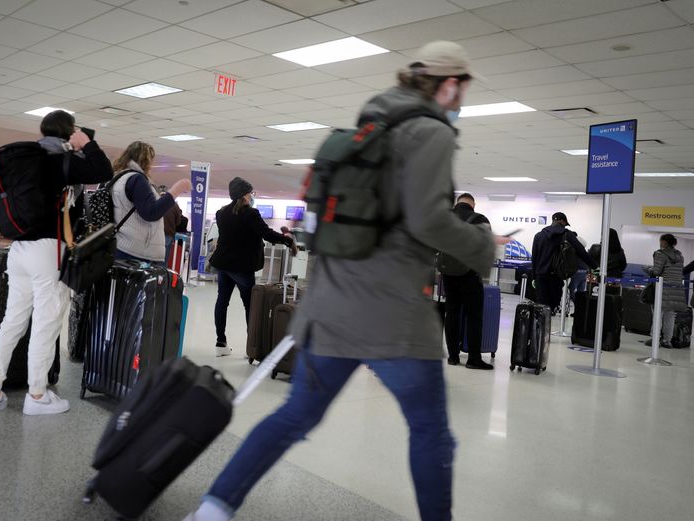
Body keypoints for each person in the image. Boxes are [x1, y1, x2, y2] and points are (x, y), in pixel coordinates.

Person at [184, 41, 509, 521]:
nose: (462, 100)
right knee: (431, 432)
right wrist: (484, 245)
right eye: (461, 88)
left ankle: (213, 509)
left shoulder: (369, 125)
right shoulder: (430, 133)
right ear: (448, 85)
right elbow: (426, 221)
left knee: (295, 416)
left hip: (331, 307)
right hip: (394, 317)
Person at [0, 110, 114, 418]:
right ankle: (37, 395)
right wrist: (86, 143)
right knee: (45, 323)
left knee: (11, 322)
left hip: (18, 250)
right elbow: (103, 170)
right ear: (69, 133)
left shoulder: (29, 159)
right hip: (46, 251)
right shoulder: (57, 161)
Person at [208, 177, 297, 357]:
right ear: (245, 195)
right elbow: (267, 234)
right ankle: (253, 346)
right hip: (241, 266)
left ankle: (220, 343)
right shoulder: (250, 214)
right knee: (251, 305)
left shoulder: (221, 213)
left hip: (223, 264)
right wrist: (288, 240)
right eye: (251, 193)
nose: (252, 196)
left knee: (222, 302)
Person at [110, 142, 191, 264]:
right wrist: (176, 190)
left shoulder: (118, 178)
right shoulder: (137, 179)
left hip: (120, 245)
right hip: (135, 251)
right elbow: (151, 213)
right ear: (146, 160)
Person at [442, 193, 493, 370]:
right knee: (473, 317)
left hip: (448, 274)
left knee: (452, 313)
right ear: (473, 204)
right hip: (471, 275)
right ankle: (473, 358)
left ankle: (453, 356)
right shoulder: (480, 219)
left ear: (457, 203)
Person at [531, 212, 596, 313]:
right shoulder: (567, 234)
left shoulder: (539, 235)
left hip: (541, 276)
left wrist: (534, 277)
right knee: (552, 305)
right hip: (556, 276)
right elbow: (581, 251)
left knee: (541, 306)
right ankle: (548, 323)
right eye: (565, 223)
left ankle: (540, 327)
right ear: (562, 221)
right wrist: (594, 266)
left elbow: (534, 258)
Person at [643, 233, 687, 348]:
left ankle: (655, 339)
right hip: (676, 290)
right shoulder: (680, 256)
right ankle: (667, 341)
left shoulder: (660, 254)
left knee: (658, 314)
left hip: (662, 289)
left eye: (661, 241)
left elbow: (656, 272)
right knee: (671, 315)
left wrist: (646, 268)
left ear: (664, 242)